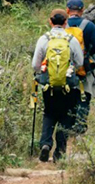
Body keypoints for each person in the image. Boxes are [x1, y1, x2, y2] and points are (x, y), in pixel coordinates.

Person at [31, 11, 84, 163]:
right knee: (65, 117)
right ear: (66, 22)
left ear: (50, 21)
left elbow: (35, 65)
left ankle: (46, 144)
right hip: (68, 86)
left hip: (49, 86)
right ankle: (59, 153)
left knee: (49, 114)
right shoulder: (71, 39)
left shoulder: (44, 39)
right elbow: (79, 62)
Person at [65, 0, 95, 134]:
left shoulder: (62, 24)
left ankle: (67, 126)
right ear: (82, 9)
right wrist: (86, 55)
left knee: (68, 95)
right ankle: (80, 127)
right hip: (84, 67)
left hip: (64, 68)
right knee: (84, 95)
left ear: (67, 10)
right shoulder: (89, 25)